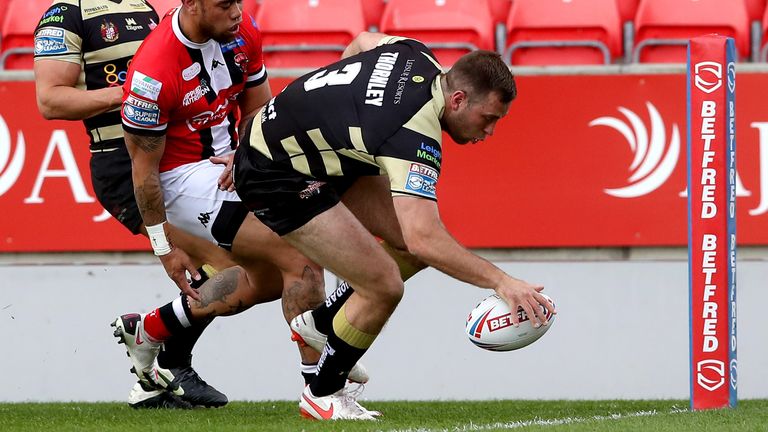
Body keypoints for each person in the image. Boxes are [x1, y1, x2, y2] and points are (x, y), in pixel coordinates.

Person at [232, 32, 557, 420]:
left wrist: (333, 111)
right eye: (487, 119)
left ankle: (320, 325)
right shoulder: (411, 131)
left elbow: (359, 42)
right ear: (457, 99)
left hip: (310, 153)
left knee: (405, 247)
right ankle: (322, 394)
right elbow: (425, 239)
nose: (489, 132)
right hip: (274, 174)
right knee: (385, 284)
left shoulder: (415, 53)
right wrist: (503, 282)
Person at [113, 0, 370, 407]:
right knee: (297, 244)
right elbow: (144, 173)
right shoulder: (152, 72)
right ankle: (323, 390)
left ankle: (151, 328)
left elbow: (256, 108)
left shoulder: (241, 30)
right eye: (223, 4)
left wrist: (244, 152)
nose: (236, 11)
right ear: (192, 4)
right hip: (179, 180)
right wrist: (164, 248)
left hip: (233, 161)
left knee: (264, 282)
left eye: (237, 1)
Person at [32, 0, 241, 409]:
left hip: (173, 158)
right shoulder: (65, 13)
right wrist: (130, 95)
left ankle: (158, 369)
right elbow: (50, 101)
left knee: (231, 264)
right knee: (225, 266)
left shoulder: (144, 7)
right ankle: (169, 362)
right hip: (122, 162)